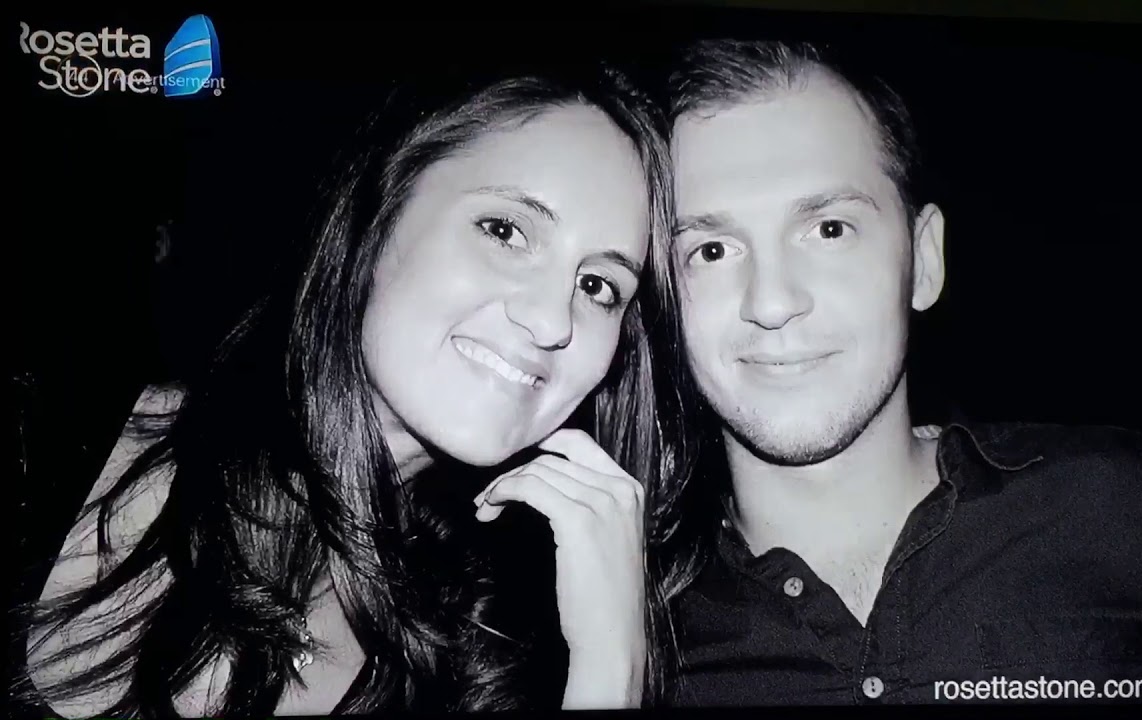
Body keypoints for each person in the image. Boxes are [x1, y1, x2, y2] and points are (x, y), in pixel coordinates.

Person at [15, 56, 685, 717]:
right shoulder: (52, 422)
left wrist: (612, 668)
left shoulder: (494, 644)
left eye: (598, 285)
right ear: (378, 210)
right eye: (505, 231)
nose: (551, 321)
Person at [655, 38, 1142, 706]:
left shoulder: (1135, 505)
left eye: (829, 229)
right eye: (712, 250)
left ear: (924, 261)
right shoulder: (636, 637)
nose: (772, 302)